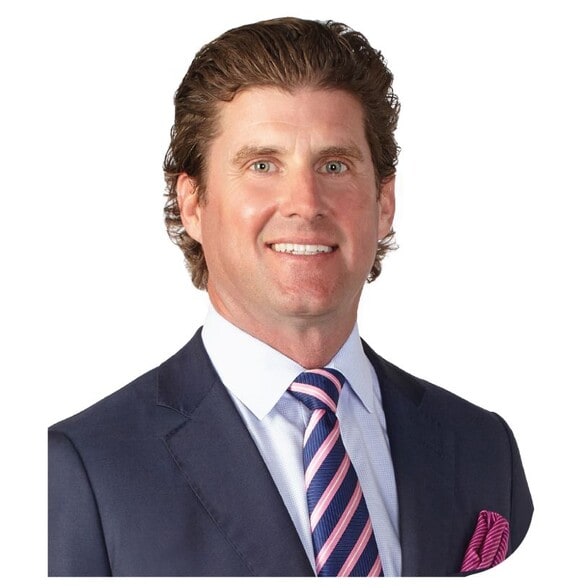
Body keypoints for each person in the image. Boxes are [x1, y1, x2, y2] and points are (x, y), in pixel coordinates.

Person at [48, 17, 533, 577]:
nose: (305, 202)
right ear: (193, 204)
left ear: (383, 203)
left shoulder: (484, 449)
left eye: (334, 165)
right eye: (262, 165)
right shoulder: (83, 470)